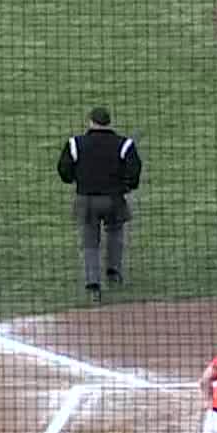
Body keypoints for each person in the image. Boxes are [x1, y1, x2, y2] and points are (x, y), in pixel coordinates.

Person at [55, 106, 141, 303]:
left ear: (91, 122)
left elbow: (64, 169)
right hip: (114, 199)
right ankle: (114, 272)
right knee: (115, 233)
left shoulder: (75, 143)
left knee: (89, 242)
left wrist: (76, 180)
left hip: (86, 199)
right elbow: (134, 170)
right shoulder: (124, 144)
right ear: (109, 122)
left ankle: (93, 284)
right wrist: (127, 185)